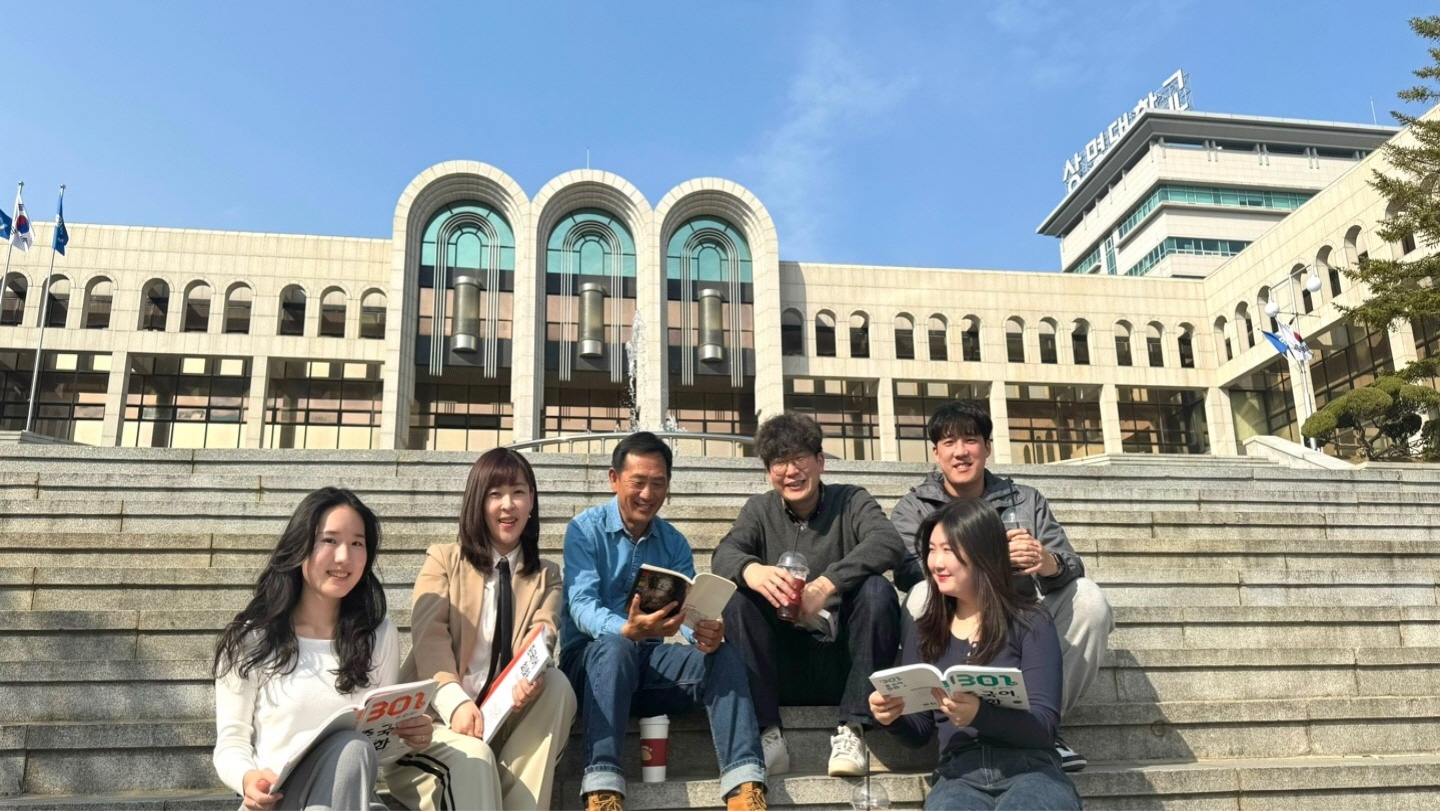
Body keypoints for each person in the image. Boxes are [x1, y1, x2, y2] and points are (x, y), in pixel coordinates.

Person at [890, 400, 1113, 772]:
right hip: (956, 623)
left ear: (988, 447)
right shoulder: (915, 507)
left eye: (970, 440)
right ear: (935, 452)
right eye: (949, 442)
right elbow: (908, 572)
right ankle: (945, 723)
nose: (960, 452)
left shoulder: (1025, 500)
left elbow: (1072, 564)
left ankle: (1042, 728)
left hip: (1019, 621)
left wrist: (1046, 561)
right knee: (920, 594)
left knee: (1089, 598)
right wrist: (987, 562)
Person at [560, 431, 769, 811]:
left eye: (657, 483)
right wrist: (624, 630)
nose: (647, 494)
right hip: (588, 667)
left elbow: (686, 611)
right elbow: (581, 605)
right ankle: (602, 790)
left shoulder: (674, 542)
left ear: (668, 486)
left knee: (724, 656)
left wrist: (704, 631)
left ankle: (745, 787)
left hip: (647, 665)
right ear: (614, 479)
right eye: (638, 482)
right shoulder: (584, 530)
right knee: (616, 646)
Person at [212, 487, 433, 811]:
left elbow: (377, 748)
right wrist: (249, 779)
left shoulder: (378, 635)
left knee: (354, 749)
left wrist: (409, 735)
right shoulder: (252, 639)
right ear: (300, 546)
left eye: (357, 543)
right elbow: (231, 742)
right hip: (278, 801)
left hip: (350, 796)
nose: (344, 557)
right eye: (329, 540)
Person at [711, 412, 907, 778]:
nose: (791, 471)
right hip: (780, 666)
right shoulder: (759, 509)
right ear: (768, 472)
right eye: (779, 462)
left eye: (799, 458)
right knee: (738, 597)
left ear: (820, 461)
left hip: (842, 661)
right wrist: (752, 570)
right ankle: (767, 733)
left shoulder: (851, 501)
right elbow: (724, 553)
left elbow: (888, 542)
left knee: (877, 589)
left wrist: (825, 585)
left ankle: (852, 729)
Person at [386, 447, 578, 811]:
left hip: (499, 723)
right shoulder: (443, 560)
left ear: (532, 501)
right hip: (432, 726)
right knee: (474, 757)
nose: (508, 505)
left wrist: (532, 676)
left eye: (518, 492)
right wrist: (456, 703)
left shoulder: (547, 575)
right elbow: (430, 639)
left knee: (557, 686)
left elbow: (544, 633)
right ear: (478, 502)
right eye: (495, 494)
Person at [870, 499, 1083, 811]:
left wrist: (980, 715)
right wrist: (892, 717)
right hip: (958, 775)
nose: (936, 562)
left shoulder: (1031, 621)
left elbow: (1044, 727)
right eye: (932, 549)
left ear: (983, 553)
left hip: (1032, 770)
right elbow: (919, 732)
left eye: (949, 550)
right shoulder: (924, 630)